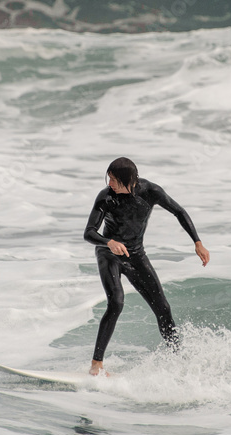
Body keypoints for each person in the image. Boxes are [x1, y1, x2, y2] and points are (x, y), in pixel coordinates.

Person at [83, 157, 210, 376]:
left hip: (136, 254)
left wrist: (197, 242)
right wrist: (109, 243)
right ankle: (96, 365)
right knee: (116, 302)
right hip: (109, 254)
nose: (109, 183)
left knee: (163, 308)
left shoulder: (151, 192)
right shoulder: (105, 197)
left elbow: (179, 211)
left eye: (114, 179)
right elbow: (89, 232)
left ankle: (178, 358)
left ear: (128, 180)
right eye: (109, 178)